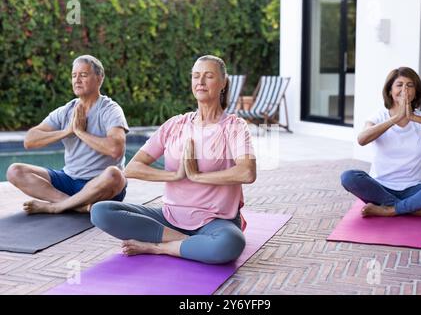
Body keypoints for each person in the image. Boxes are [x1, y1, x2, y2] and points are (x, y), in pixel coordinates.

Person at [90, 55, 256, 264]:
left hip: (215, 221)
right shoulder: (175, 125)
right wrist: (176, 175)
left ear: (223, 83)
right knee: (100, 212)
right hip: (169, 218)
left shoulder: (234, 126)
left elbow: (247, 172)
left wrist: (196, 175)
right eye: (196, 76)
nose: (200, 82)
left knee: (230, 244)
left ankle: (159, 247)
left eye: (208, 76)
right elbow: (132, 168)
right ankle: (190, 243)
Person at [7, 55, 129, 214]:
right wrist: (67, 131)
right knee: (14, 171)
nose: (77, 80)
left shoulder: (111, 110)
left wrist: (80, 132)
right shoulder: (66, 111)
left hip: (98, 184)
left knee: (115, 175)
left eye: (83, 75)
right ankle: (72, 204)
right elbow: (30, 140)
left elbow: (116, 149)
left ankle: (56, 206)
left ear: (100, 78)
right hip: (69, 179)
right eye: (74, 75)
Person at [341, 67, 421, 219]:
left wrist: (413, 117)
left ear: (416, 91)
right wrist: (395, 119)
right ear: (390, 91)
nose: (404, 89)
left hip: (415, 188)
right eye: (399, 84)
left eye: (410, 85)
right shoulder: (378, 116)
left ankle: (391, 209)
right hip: (380, 187)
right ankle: (412, 207)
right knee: (349, 176)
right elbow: (362, 139)